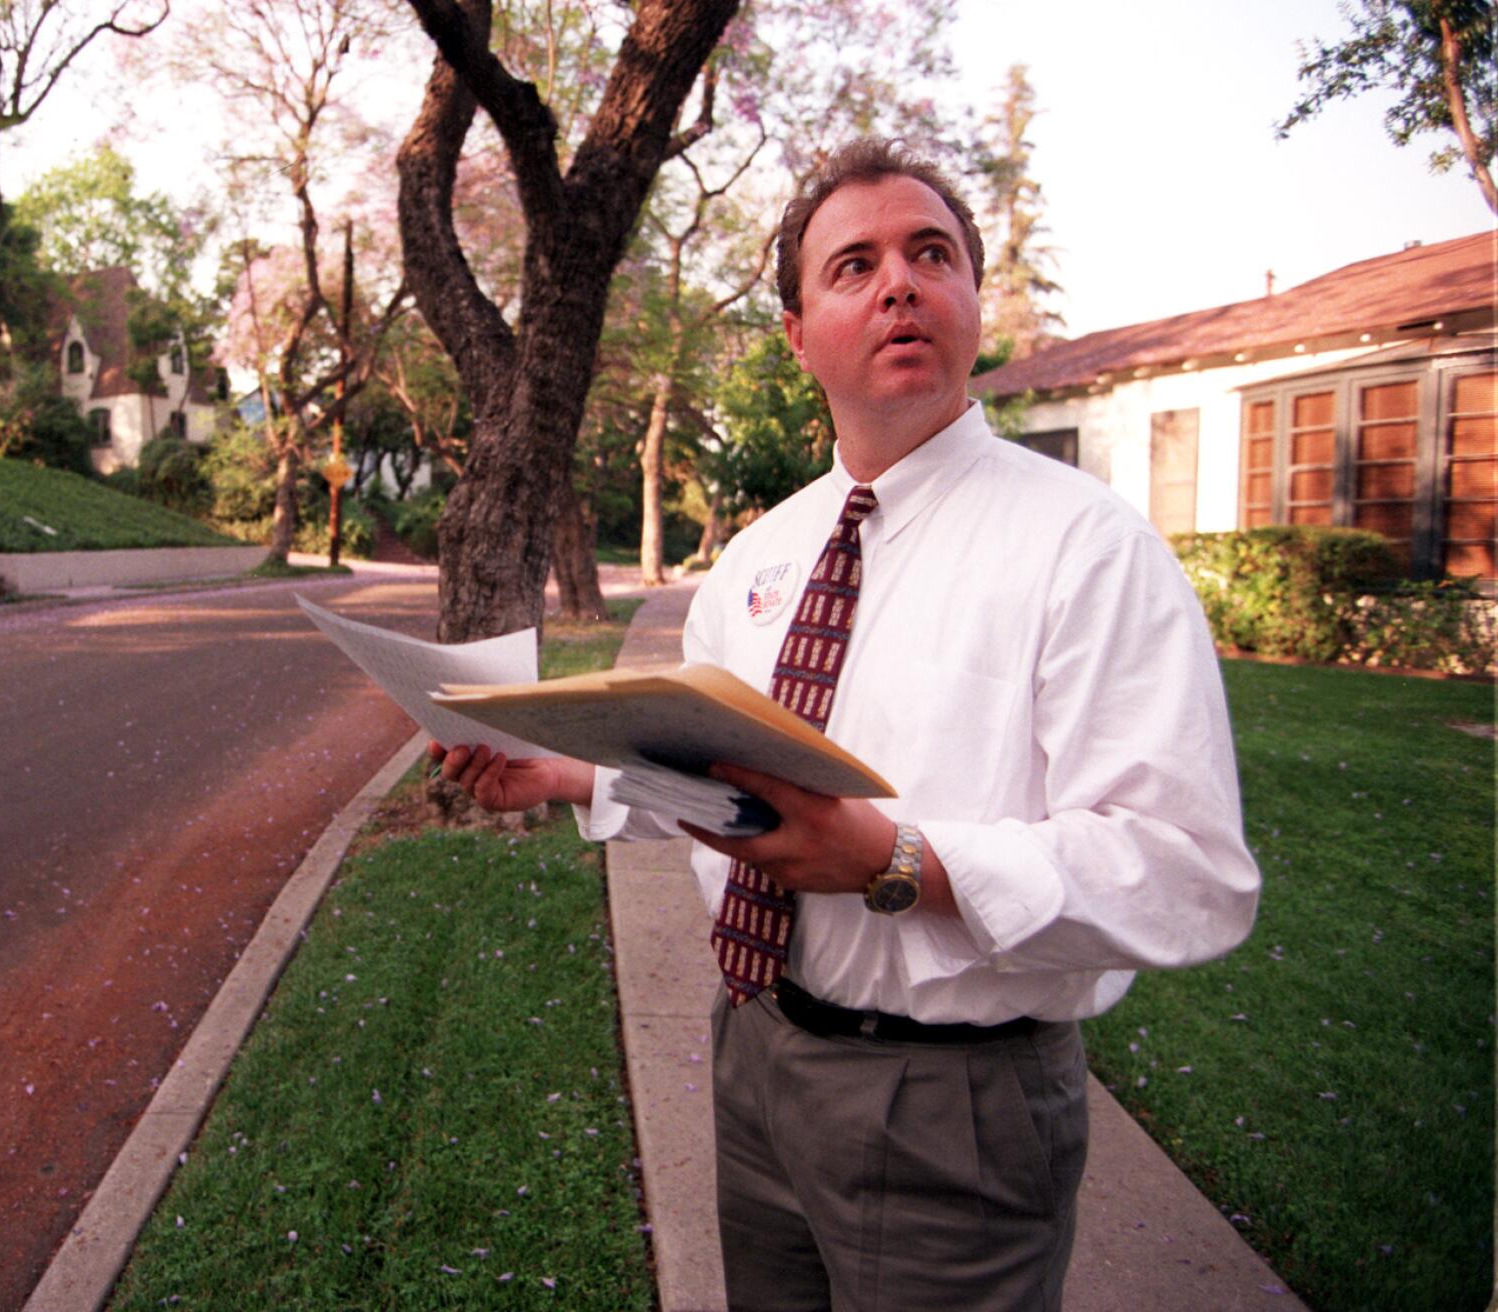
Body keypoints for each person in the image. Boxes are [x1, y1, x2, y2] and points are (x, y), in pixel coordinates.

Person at [432, 137, 1259, 1311]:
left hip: (953, 1107)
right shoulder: (758, 558)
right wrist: (566, 773)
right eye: (852, 264)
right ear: (795, 332)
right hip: (755, 1054)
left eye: (932, 253)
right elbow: (729, 793)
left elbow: (1186, 873)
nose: (899, 283)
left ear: (971, 299)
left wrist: (893, 862)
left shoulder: (1086, 547)